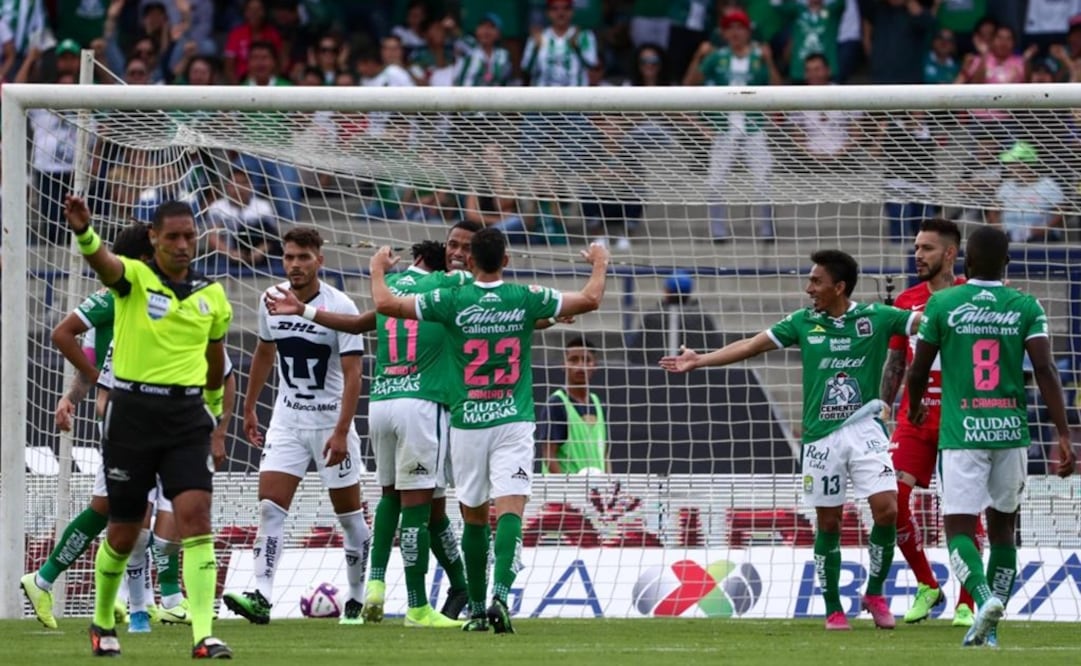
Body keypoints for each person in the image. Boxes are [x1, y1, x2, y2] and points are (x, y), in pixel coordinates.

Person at [661, 250, 921, 631]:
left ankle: (875, 592)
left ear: (840, 287)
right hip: (820, 438)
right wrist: (700, 360)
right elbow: (751, 345)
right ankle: (834, 608)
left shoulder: (877, 318)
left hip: (866, 430)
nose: (808, 288)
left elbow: (927, 322)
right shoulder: (803, 322)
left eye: (816, 281)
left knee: (887, 510)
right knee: (829, 522)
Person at [368, 229, 611, 633]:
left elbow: (385, 303)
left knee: (475, 516)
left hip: (467, 423)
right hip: (513, 420)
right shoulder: (525, 297)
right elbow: (590, 298)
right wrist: (600, 262)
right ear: (507, 260)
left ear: (470, 262)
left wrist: (378, 270)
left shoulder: (451, 298)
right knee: (511, 509)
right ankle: (500, 594)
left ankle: (478, 611)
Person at [63, 195, 232, 658]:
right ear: (154, 237)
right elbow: (104, 264)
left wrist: (214, 414)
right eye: (173, 236)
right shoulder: (133, 279)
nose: (182, 245)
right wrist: (84, 232)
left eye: (189, 236)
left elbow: (215, 361)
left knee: (196, 518)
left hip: (186, 418)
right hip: (133, 415)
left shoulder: (211, 295)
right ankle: (101, 621)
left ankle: (203, 634)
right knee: (123, 532)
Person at [906, 225, 1076, 647]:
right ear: (1007, 263)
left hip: (962, 432)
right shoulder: (1025, 305)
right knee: (1003, 530)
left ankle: (982, 600)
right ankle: (992, 627)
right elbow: (1045, 370)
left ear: (965, 262)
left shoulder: (943, 303)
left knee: (959, 528)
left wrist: (913, 406)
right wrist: (1064, 433)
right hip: (1011, 433)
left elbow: (918, 369)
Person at [224, 227, 371, 626]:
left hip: (329, 425)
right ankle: (263, 596)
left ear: (319, 260)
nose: (295, 265)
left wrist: (342, 430)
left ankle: (357, 596)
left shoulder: (339, 305)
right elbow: (264, 353)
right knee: (271, 509)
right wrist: (251, 408)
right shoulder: (270, 298)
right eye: (289, 257)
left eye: (303, 257)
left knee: (350, 518)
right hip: (287, 421)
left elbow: (353, 374)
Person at [878, 218, 973, 626]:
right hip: (914, 418)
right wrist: (883, 406)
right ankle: (927, 584)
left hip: (961, 416)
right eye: (916, 247)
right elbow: (898, 359)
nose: (918, 255)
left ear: (949, 253)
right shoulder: (906, 300)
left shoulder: (972, 294)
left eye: (927, 249)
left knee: (966, 511)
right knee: (891, 502)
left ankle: (967, 602)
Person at [537, 336, 608, 475]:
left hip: (595, 492)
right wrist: (568, 489)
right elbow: (548, 455)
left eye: (586, 360)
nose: (580, 366)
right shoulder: (556, 403)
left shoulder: (597, 403)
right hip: (565, 493)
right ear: (564, 364)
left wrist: (609, 486)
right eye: (573, 359)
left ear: (595, 365)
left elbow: (604, 454)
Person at [627, 271, 720, 366]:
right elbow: (715, 350)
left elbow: (635, 354)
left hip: (655, 374)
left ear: (667, 291)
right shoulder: (703, 318)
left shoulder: (653, 316)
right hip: (696, 374)